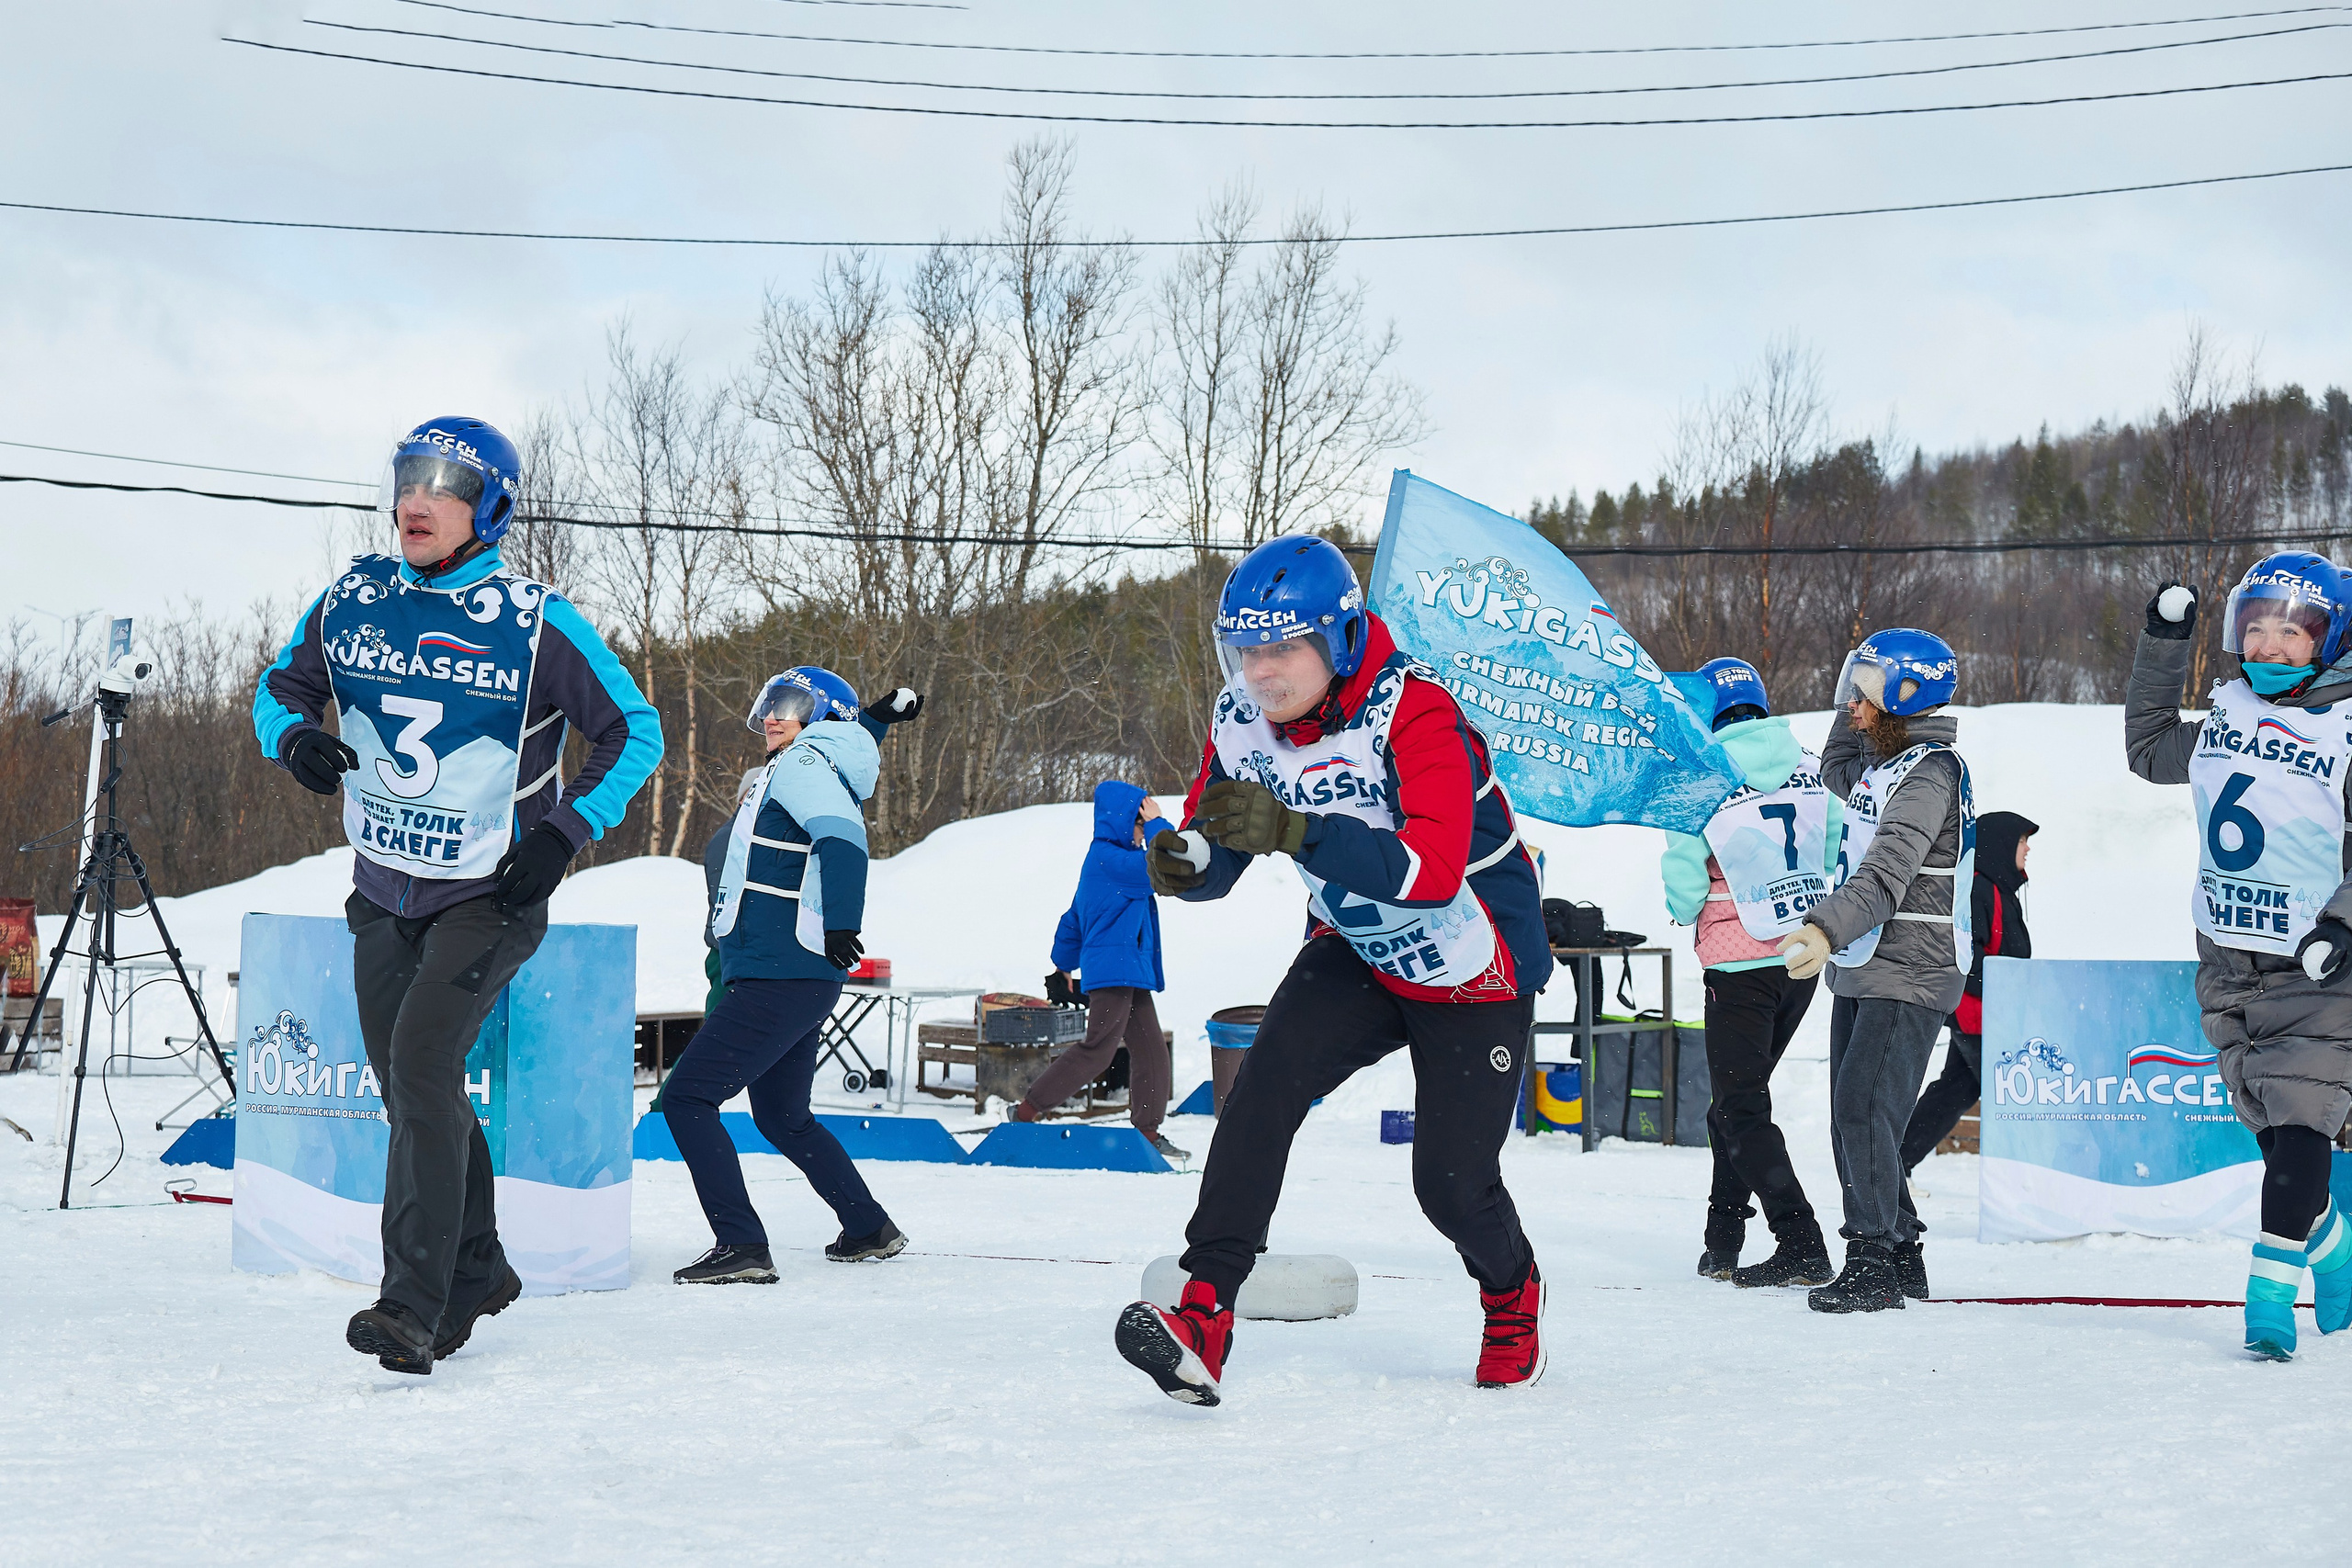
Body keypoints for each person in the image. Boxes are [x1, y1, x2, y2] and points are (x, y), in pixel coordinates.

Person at [254, 416, 662, 1373]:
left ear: (491, 510)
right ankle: (479, 1266)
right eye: (408, 478)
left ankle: (414, 1305)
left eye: (445, 484)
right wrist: (293, 738)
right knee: (411, 1085)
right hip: (384, 885)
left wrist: (565, 833)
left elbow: (632, 732)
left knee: (423, 1060)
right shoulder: (351, 596)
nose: (417, 499)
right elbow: (278, 687)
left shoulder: (535, 620)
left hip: (491, 890)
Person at [1114, 535, 1555, 1405]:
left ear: (1339, 640)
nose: (1262, 674)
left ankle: (1511, 1290)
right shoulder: (1239, 717)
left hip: (1473, 960)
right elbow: (1226, 837)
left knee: (1450, 1184)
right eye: (1246, 651)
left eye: (1283, 649)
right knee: (1262, 1088)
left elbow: (1429, 873)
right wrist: (1189, 866)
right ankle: (1205, 1309)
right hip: (1356, 946)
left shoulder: (1416, 713)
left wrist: (1299, 831)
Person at [2125, 558, 2352, 1359]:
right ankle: (2330, 1241)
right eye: (2256, 625)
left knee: (2298, 1136)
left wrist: (2345, 926)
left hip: (2320, 973)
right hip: (2228, 963)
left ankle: (2267, 1299)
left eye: (2291, 629)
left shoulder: (2347, 729)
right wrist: (2163, 642)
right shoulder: (2225, 715)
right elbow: (2150, 749)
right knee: (2272, 1132)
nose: (2270, 642)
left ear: (2330, 640)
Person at [662, 667, 912, 1284]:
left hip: (780, 972)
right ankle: (867, 1226)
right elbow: (844, 748)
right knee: (781, 1114)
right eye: (771, 703)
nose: (774, 715)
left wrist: (841, 923)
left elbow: (842, 835)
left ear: (821, 719)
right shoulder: (816, 759)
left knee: (686, 1097)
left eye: (793, 705)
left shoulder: (803, 765)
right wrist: (875, 721)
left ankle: (741, 1244)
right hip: (791, 973)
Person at [1777, 628, 1973, 1314]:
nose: (1851, 708)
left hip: (1908, 968)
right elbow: (1837, 765)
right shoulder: (1882, 765)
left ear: (1905, 696)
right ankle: (1900, 1252)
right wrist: (1855, 676)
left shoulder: (1929, 773)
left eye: (1862, 696)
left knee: (1864, 1111)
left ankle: (1870, 1264)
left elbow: (1887, 874)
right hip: (1868, 962)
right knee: (1860, 1118)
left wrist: (1824, 927)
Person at [1659, 658, 1840, 1287]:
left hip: (1737, 965)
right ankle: (1723, 1240)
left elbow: (1684, 887)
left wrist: (1687, 905)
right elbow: (1835, 840)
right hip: (1800, 957)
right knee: (1734, 1105)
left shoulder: (1701, 777)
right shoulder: (1806, 763)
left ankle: (1800, 1239)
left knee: (1740, 1109)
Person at [1014, 781, 1187, 1160]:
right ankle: (1025, 1112)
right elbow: (1168, 864)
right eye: (1141, 824)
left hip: (1128, 972)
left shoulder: (1104, 861)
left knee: (1153, 1052)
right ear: (1125, 822)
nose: (1144, 833)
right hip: (1114, 972)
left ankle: (1147, 1133)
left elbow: (1074, 917)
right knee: (1098, 1050)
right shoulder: (1112, 860)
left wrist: (1062, 965)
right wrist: (1160, 824)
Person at [1899, 811, 2037, 1176]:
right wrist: (2003, 983)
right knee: (2012, 1092)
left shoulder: (1999, 888)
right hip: (1977, 1015)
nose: (2027, 850)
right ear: (2003, 844)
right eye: (2023, 842)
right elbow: (1962, 954)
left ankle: (1895, 1163)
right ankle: (2033, 1175)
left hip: (1989, 1013)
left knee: (1956, 1090)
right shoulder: (1979, 889)